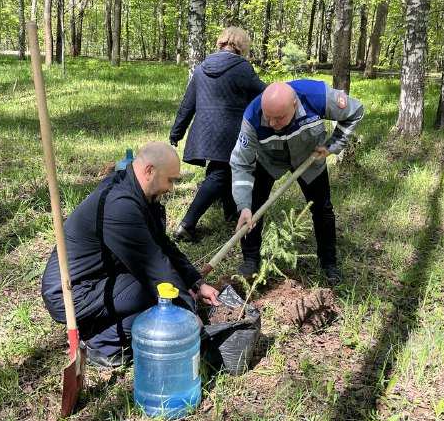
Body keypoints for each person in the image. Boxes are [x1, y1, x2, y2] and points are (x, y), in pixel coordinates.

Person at [41, 142, 220, 368]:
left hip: (99, 280)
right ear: (149, 171)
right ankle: (102, 344)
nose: (171, 188)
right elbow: (153, 267)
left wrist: (195, 282)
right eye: (170, 180)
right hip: (71, 292)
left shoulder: (138, 192)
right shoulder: (120, 205)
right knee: (153, 292)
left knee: (161, 292)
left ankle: (100, 328)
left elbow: (161, 245)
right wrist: (186, 314)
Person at [230, 80, 365, 285]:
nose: (273, 124)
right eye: (269, 118)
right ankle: (250, 260)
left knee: (323, 209)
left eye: (279, 118)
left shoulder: (317, 96)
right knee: (253, 208)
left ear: (295, 104)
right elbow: (241, 164)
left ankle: (329, 263)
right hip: (269, 159)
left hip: (309, 157)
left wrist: (332, 145)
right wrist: (243, 205)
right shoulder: (252, 116)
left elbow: (355, 112)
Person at [169, 26, 266, 242]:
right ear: (241, 45)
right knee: (220, 175)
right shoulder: (242, 68)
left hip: (204, 133)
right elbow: (263, 94)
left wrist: (176, 132)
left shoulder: (202, 68)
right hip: (229, 133)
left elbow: (188, 104)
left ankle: (230, 214)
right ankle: (186, 224)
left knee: (223, 171)